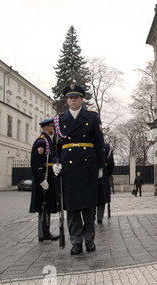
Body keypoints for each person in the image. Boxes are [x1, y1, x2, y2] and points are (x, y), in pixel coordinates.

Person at [52, 84, 105, 255]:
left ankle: (89, 240)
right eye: (70, 97)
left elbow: (99, 143)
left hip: (88, 165)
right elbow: (55, 147)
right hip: (69, 167)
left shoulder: (92, 117)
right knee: (72, 207)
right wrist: (56, 162)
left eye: (76, 97)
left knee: (88, 207)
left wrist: (101, 166)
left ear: (82, 99)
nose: (73, 100)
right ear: (67, 100)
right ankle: (76, 242)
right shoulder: (59, 120)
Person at [29, 119, 59, 242]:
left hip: (48, 177)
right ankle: (43, 233)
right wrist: (41, 179)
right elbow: (37, 162)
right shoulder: (42, 142)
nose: (54, 129)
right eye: (52, 127)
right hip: (44, 179)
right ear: (47, 127)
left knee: (46, 206)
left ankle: (46, 232)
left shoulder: (47, 140)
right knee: (43, 206)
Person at [96, 143, 115, 223]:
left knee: (92, 196)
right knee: (102, 196)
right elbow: (111, 163)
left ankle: (91, 217)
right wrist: (107, 173)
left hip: (90, 172)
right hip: (104, 173)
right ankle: (100, 217)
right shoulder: (107, 147)